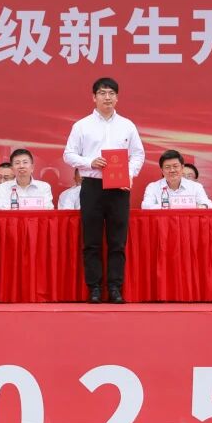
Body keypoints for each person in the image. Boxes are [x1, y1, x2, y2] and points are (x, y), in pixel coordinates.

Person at [64, 77, 145, 304]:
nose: (107, 97)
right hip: (92, 186)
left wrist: (129, 174)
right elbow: (68, 154)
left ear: (117, 98)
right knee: (92, 241)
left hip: (119, 187)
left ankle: (116, 288)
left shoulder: (127, 125)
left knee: (117, 241)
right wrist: (90, 162)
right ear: (94, 97)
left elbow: (138, 154)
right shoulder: (82, 125)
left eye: (111, 93)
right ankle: (95, 289)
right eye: (102, 93)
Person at [140, 150, 212, 209]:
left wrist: (196, 206)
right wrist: (172, 205)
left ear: (182, 168)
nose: (172, 170)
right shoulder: (153, 187)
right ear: (162, 170)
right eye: (167, 167)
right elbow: (146, 206)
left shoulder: (195, 186)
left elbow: (209, 205)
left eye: (175, 166)